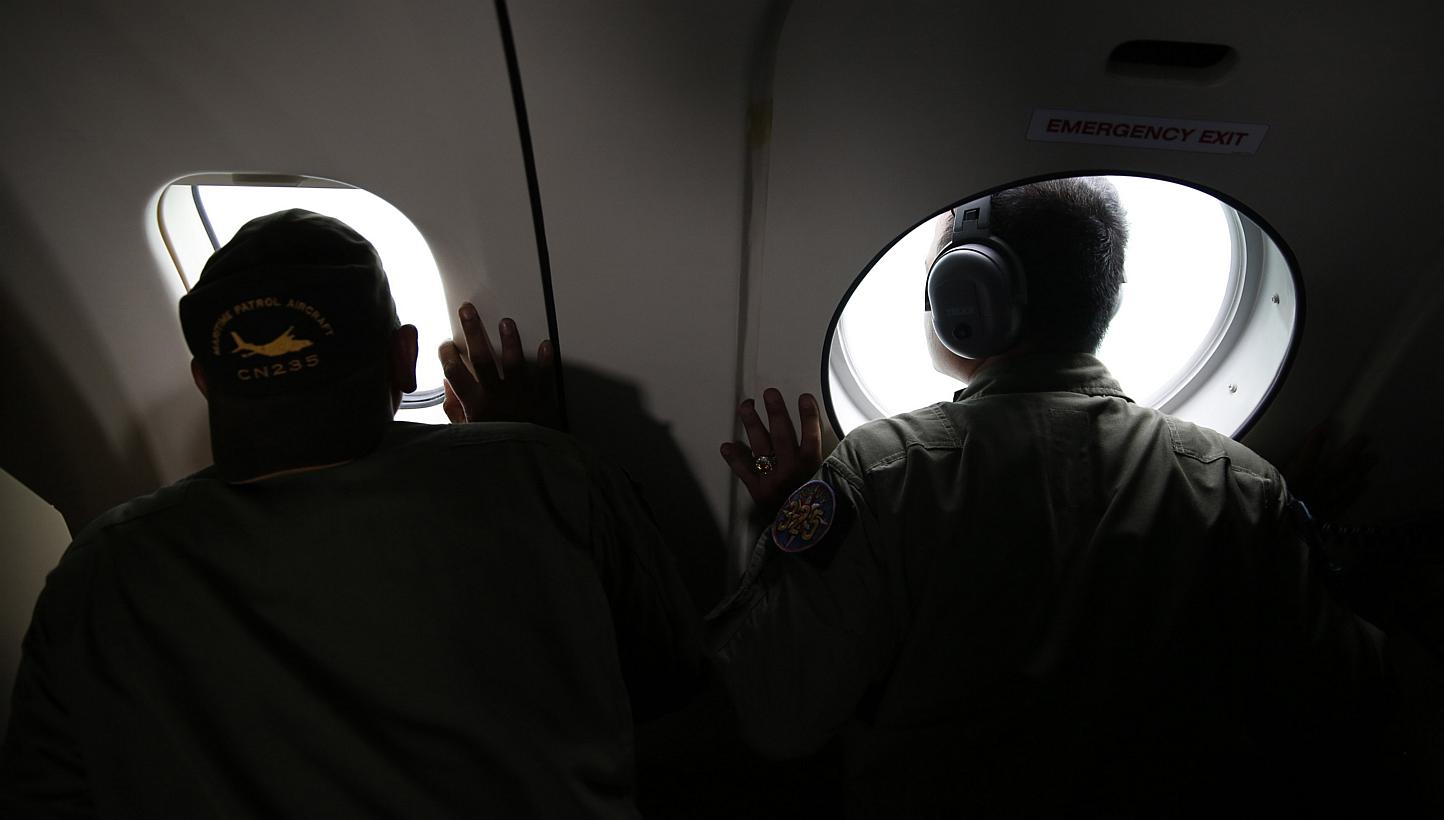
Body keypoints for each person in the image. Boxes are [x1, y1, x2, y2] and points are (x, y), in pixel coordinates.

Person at [709, 179, 1400, 816]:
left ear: (967, 293)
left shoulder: (882, 472)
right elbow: (1346, 703)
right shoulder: (1240, 483)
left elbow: (779, 720)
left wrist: (789, 523)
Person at [0, 210, 701, 818]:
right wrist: (514, 449)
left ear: (205, 381)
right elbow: (670, 688)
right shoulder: (552, 475)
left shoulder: (101, 567)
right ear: (404, 357)